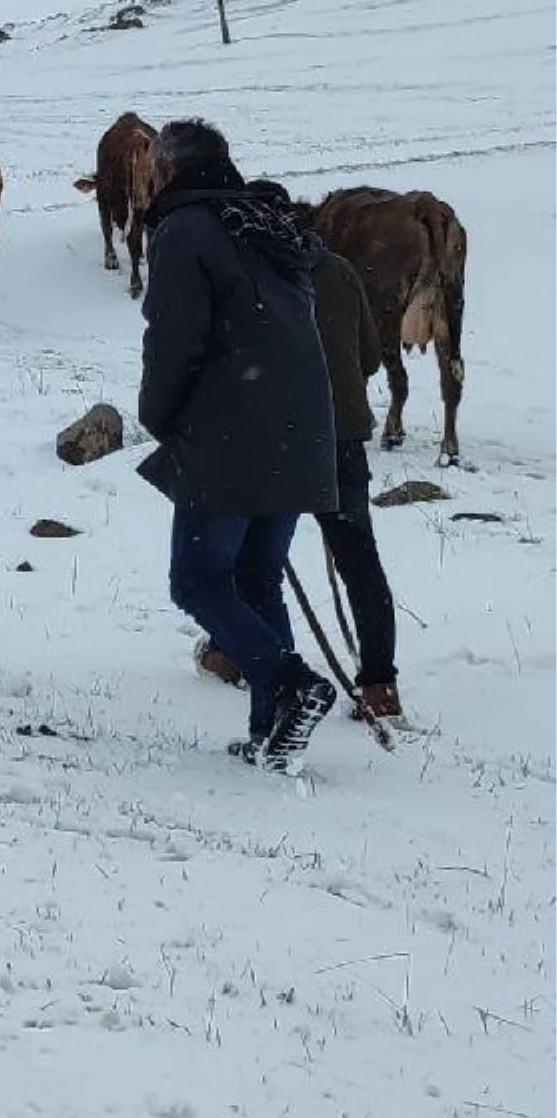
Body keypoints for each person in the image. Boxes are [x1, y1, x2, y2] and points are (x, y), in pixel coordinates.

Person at [137, 119, 339, 768]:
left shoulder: (185, 231)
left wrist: (159, 415)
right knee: (257, 577)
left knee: (197, 579)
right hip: (302, 426)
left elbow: (174, 338)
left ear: (167, 171)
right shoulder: (266, 225)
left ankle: (288, 685)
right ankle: (271, 734)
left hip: (229, 429)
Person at [200, 181, 403, 721]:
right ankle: (380, 684)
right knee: (359, 560)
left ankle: (256, 663)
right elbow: (370, 356)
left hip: (278, 440)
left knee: (257, 562)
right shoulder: (337, 270)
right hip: (342, 438)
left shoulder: (251, 276)